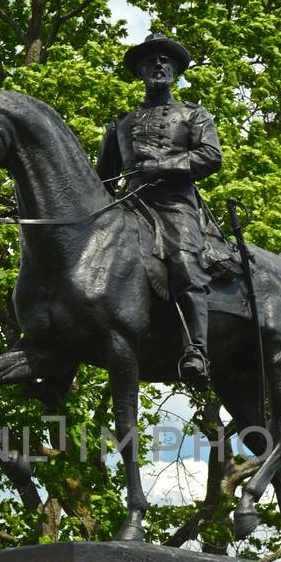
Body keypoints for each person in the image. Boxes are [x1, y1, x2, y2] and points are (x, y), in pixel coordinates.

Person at [96, 33, 222, 385]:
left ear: (177, 70)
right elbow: (102, 181)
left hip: (175, 205)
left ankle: (196, 349)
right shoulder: (120, 125)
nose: (158, 64)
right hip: (130, 206)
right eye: (150, 60)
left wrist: (164, 165)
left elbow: (211, 157)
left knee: (184, 263)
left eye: (166, 60)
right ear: (139, 69)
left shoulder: (193, 115)